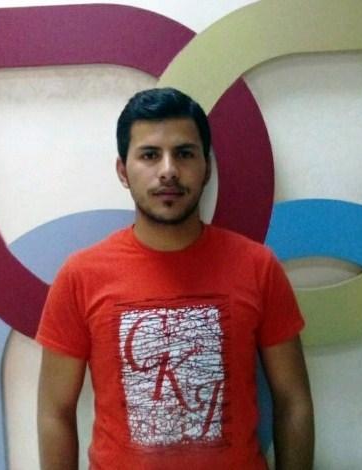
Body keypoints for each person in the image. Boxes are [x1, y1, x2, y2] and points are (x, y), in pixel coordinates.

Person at [36, 87, 314, 470]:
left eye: (184, 153)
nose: (168, 170)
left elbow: (293, 401)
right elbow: (54, 411)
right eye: (150, 155)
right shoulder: (81, 276)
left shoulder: (257, 267)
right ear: (123, 171)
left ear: (207, 168)